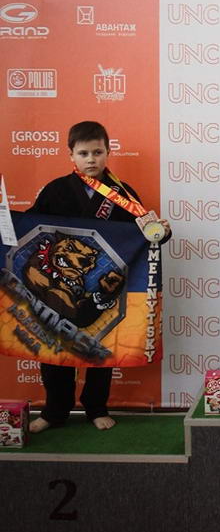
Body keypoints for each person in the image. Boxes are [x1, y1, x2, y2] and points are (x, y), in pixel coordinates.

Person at [27, 120, 170, 433]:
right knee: (54, 348)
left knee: (100, 349)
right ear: (71, 155)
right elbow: (30, 226)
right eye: (83, 153)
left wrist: (161, 232)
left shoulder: (122, 194)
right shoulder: (55, 190)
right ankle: (54, 411)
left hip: (102, 285)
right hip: (59, 283)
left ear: (108, 152)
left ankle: (96, 408)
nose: (91, 159)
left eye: (97, 152)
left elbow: (145, 232)